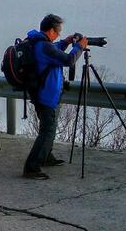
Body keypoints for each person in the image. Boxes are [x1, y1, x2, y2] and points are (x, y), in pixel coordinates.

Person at [23, 14, 86, 180]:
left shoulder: (39, 42)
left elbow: (55, 49)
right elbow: (68, 60)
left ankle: (46, 156)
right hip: (46, 95)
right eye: (58, 32)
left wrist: (65, 42)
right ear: (51, 30)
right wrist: (79, 47)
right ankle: (32, 167)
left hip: (44, 93)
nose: (58, 35)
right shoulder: (45, 46)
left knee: (49, 128)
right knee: (47, 131)